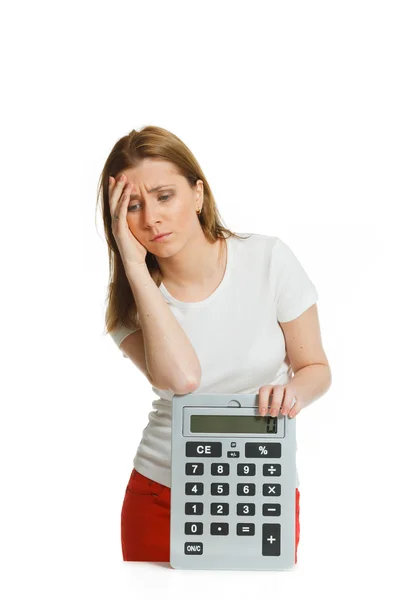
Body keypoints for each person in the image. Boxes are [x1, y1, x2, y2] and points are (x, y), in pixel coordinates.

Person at [100, 125, 332, 565]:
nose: (151, 219)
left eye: (164, 196)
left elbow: (316, 367)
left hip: (261, 484)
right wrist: (134, 267)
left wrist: (293, 393)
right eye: (133, 206)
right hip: (160, 496)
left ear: (198, 194)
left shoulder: (268, 260)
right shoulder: (128, 307)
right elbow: (183, 379)